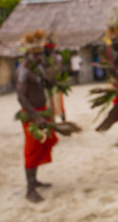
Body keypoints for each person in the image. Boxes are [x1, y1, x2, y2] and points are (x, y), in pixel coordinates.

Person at [15, 30, 58, 203]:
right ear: (28, 55)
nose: (41, 57)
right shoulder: (23, 71)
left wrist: (51, 78)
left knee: (44, 143)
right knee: (32, 150)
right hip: (32, 114)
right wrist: (35, 117)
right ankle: (29, 189)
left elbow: (46, 84)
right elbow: (21, 97)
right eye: (37, 55)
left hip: (42, 111)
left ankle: (35, 180)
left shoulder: (38, 67)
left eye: (41, 54)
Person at [42, 33, 66, 122]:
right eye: (45, 48)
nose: (46, 50)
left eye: (48, 48)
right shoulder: (41, 58)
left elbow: (59, 69)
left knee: (58, 102)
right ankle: (51, 118)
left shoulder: (57, 57)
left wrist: (53, 72)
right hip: (45, 84)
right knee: (48, 103)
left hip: (55, 83)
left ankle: (61, 116)